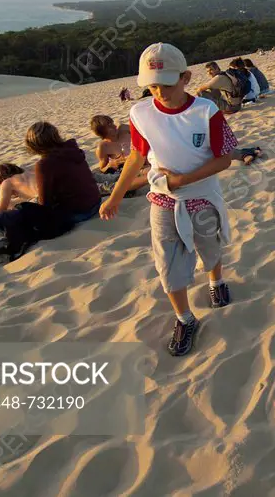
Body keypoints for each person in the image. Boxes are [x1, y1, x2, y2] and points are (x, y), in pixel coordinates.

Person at [101, 42, 236, 356]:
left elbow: (224, 158)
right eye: (152, 85)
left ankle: (216, 282)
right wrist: (115, 196)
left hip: (201, 195)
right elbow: (137, 156)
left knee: (209, 245)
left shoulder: (206, 111)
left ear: (186, 77)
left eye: (166, 83)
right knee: (166, 261)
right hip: (162, 198)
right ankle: (185, 318)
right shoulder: (140, 112)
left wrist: (183, 180)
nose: (159, 91)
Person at [0, 122, 102, 265]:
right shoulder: (73, 150)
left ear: (33, 145)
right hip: (95, 203)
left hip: (78, 213)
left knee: (16, 215)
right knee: (19, 213)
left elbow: (45, 204)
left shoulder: (45, 164)